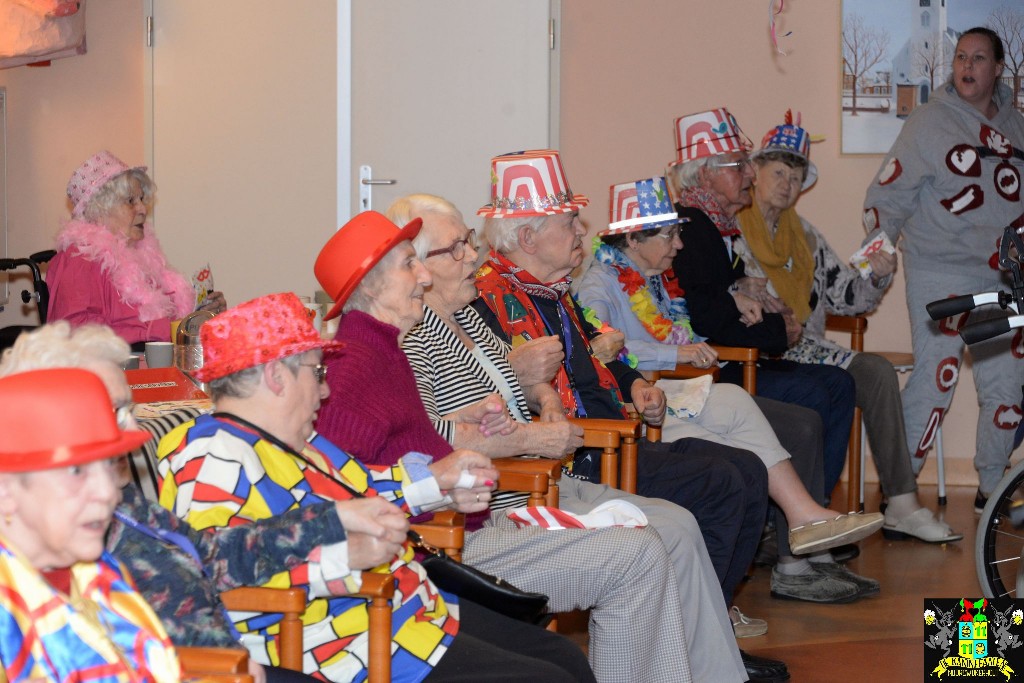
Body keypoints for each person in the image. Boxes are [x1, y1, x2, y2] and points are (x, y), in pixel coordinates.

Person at [312, 210, 750, 683]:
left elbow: (404, 441)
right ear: (373, 287)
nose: (422, 274)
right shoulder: (357, 363)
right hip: (444, 543)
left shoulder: (382, 348)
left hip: (468, 521)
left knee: (647, 547)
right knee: (638, 555)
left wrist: (465, 424)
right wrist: (443, 481)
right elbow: (338, 483)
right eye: (407, 265)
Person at [156, 292, 594, 683]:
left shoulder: (299, 442)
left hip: (406, 611)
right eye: (317, 371)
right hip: (343, 641)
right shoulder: (212, 455)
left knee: (561, 657)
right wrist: (337, 559)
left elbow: (361, 490)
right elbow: (208, 568)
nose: (325, 390)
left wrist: (441, 485)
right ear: (276, 376)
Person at [575, 174, 888, 602]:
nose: (679, 245)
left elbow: (671, 331)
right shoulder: (597, 287)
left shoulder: (653, 280)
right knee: (770, 436)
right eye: (669, 235)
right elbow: (602, 351)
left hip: (678, 393)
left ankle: (804, 521)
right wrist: (677, 356)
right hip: (642, 407)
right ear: (632, 239)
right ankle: (790, 551)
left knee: (755, 405)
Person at [0, 321, 354, 683]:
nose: (136, 431)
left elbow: (208, 554)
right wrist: (218, 666)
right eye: (113, 411)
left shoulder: (109, 537)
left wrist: (331, 521)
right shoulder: (74, 541)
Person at [733, 113, 962, 544]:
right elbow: (718, 297)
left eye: (796, 177)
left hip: (808, 348)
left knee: (873, 371)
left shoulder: (806, 236)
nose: (786, 184)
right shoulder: (731, 232)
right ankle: (806, 518)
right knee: (833, 385)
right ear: (756, 173)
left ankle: (900, 501)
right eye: (778, 172)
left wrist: (877, 274)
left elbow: (845, 296)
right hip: (758, 353)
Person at [863, 27, 1024, 510]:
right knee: (938, 376)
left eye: (978, 58)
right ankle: (901, 495)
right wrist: (878, 248)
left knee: (1005, 386)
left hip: (1002, 277)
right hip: (940, 270)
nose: (967, 67)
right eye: (960, 58)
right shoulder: (928, 122)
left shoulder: (1017, 128)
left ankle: (991, 488)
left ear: (998, 68)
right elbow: (886, 196)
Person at [666, 109, 857, 497]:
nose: (751, 175)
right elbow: (705, 316)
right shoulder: (691, 228)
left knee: (839, 383)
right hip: (714, 368)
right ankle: (795, 526)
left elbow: (724, 297)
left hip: (739, 356)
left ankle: (812, 510)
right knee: (814, 394)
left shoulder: (718, 226)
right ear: (706, 174)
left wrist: (754, 298)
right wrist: (778, 331)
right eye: (739, 166)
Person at [0, 367, 181, 681]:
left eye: (110, 466)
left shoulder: (100, 574)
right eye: (76, 472)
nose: (108, 492)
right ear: (5, 491)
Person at [47, 150, 226, 348]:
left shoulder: (144, 257)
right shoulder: (79, 258)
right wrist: (154, 331)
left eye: (142, 199)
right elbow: (75, 331)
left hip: (153, 369)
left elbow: (166, 321)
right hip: (114, 372)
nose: (142, 209)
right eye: (131, 201)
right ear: (100, 209)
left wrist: (199, 315)